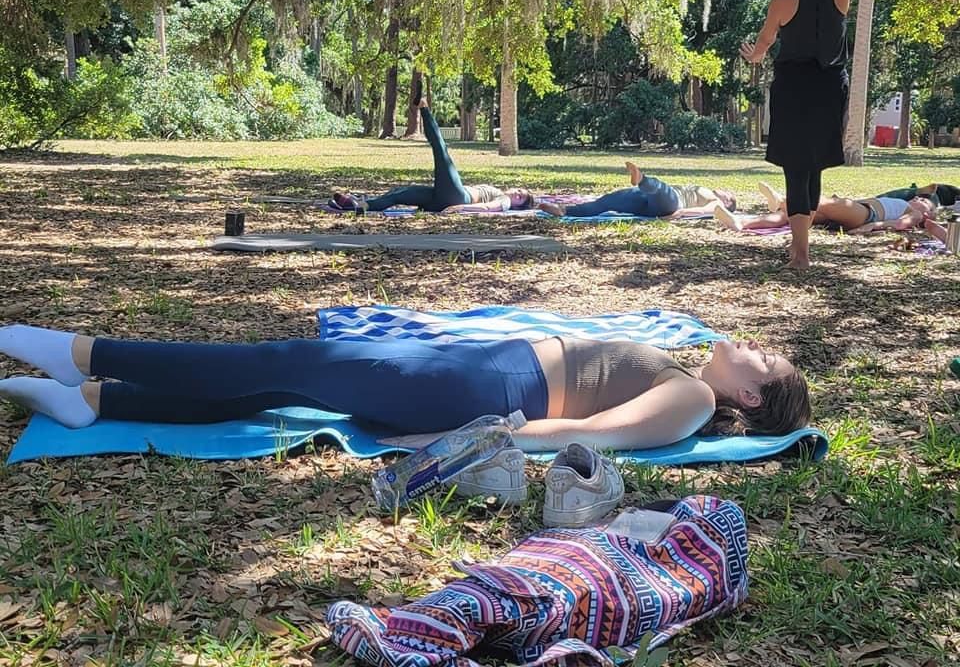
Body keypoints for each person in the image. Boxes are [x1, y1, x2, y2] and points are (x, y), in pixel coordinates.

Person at [0, 323, 811, 449]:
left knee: (283, 362)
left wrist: (441, 442)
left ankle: (78, 353)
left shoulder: (695, 401)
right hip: (483, 371)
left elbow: (587, 435)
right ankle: (101, 401)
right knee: (286, 383)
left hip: (487, 389)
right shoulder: (691, 367)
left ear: (747, 399)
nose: (752, 349)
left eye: (762, 364)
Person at [740, 0, 901, 269]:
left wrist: (754, 56)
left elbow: (763, 44)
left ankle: (800, 252)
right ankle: (801, 246)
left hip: (794, 89)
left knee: (797, 165)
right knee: (812, 165)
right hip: (830, 88)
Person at [333, 99, 535, 213]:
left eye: (520, 198)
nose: (517, 194)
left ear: (518, 205)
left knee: (441, 152)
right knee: (399, 194)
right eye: (519, 191)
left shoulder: (504, 201)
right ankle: (360, 205)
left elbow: (488, 207)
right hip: (439, 200)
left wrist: (459, 208)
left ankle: (424, 109)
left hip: (457, 197)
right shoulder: (501, 190)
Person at [714, 180, 936, 235]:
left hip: (867, 215)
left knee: (819, 201)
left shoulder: (914, 212)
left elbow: (900, 224)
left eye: (926, 202)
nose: (921, 200)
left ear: (926, 213)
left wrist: (872, 227)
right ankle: (741, 223)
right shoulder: (902, 200)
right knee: (794, 216)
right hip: (860, 209)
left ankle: (782, 199)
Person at [537, 161, 737, 219]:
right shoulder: (707, 191)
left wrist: (679, 214)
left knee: (660, 188)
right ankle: (566, 211)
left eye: (729, 195)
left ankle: (642, 178)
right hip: (647, 204)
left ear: (728, 203)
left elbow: (704, 211)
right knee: (610, 200)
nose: (726, 191)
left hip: (672, 203)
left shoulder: (718, 203)